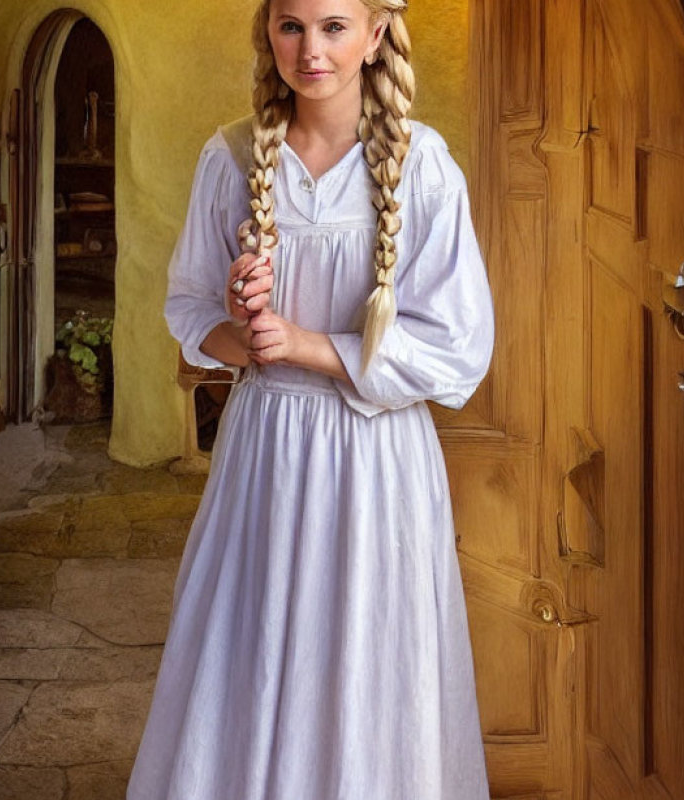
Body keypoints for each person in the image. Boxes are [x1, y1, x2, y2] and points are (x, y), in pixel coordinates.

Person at [126, 0, 494, 797]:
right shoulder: (229, 158)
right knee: (250, 651)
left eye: (334, 26)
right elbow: (189, 314)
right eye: (292, 25)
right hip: (267, 452)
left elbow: (458, 348)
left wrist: (306, 345)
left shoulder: (421, 165)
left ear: (375, 33)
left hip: (376, 463)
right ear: (267, 31)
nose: (311, 50)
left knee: (370, 657)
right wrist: (241, 327)